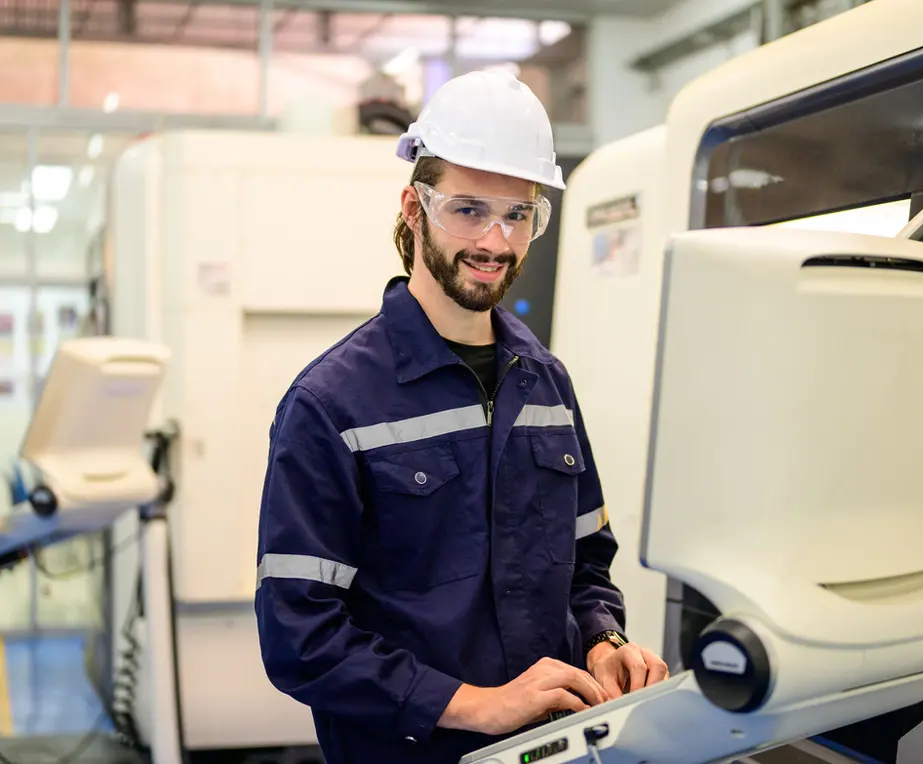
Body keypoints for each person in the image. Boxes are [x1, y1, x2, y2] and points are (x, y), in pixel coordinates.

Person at [254, 70, 668, 764]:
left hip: (552, 748)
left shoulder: (547, 382)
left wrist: (604, 640)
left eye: (519, 213)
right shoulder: (331, 405)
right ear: (414, 211)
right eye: (469, 210)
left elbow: (586, 562)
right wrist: (475, 704)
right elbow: (299, 634)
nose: (497, 241)